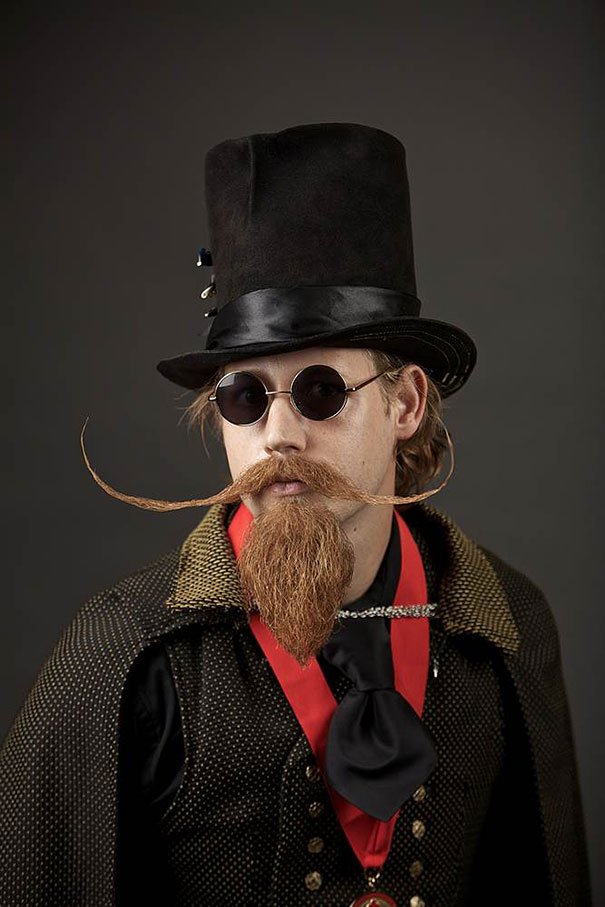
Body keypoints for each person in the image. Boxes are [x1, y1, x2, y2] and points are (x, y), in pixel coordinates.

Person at [0, 123, 591, 907]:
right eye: (244, 396)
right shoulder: (123, 655)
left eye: (319, 390)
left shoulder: (505, 624)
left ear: (405, 403)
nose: (277, 434)